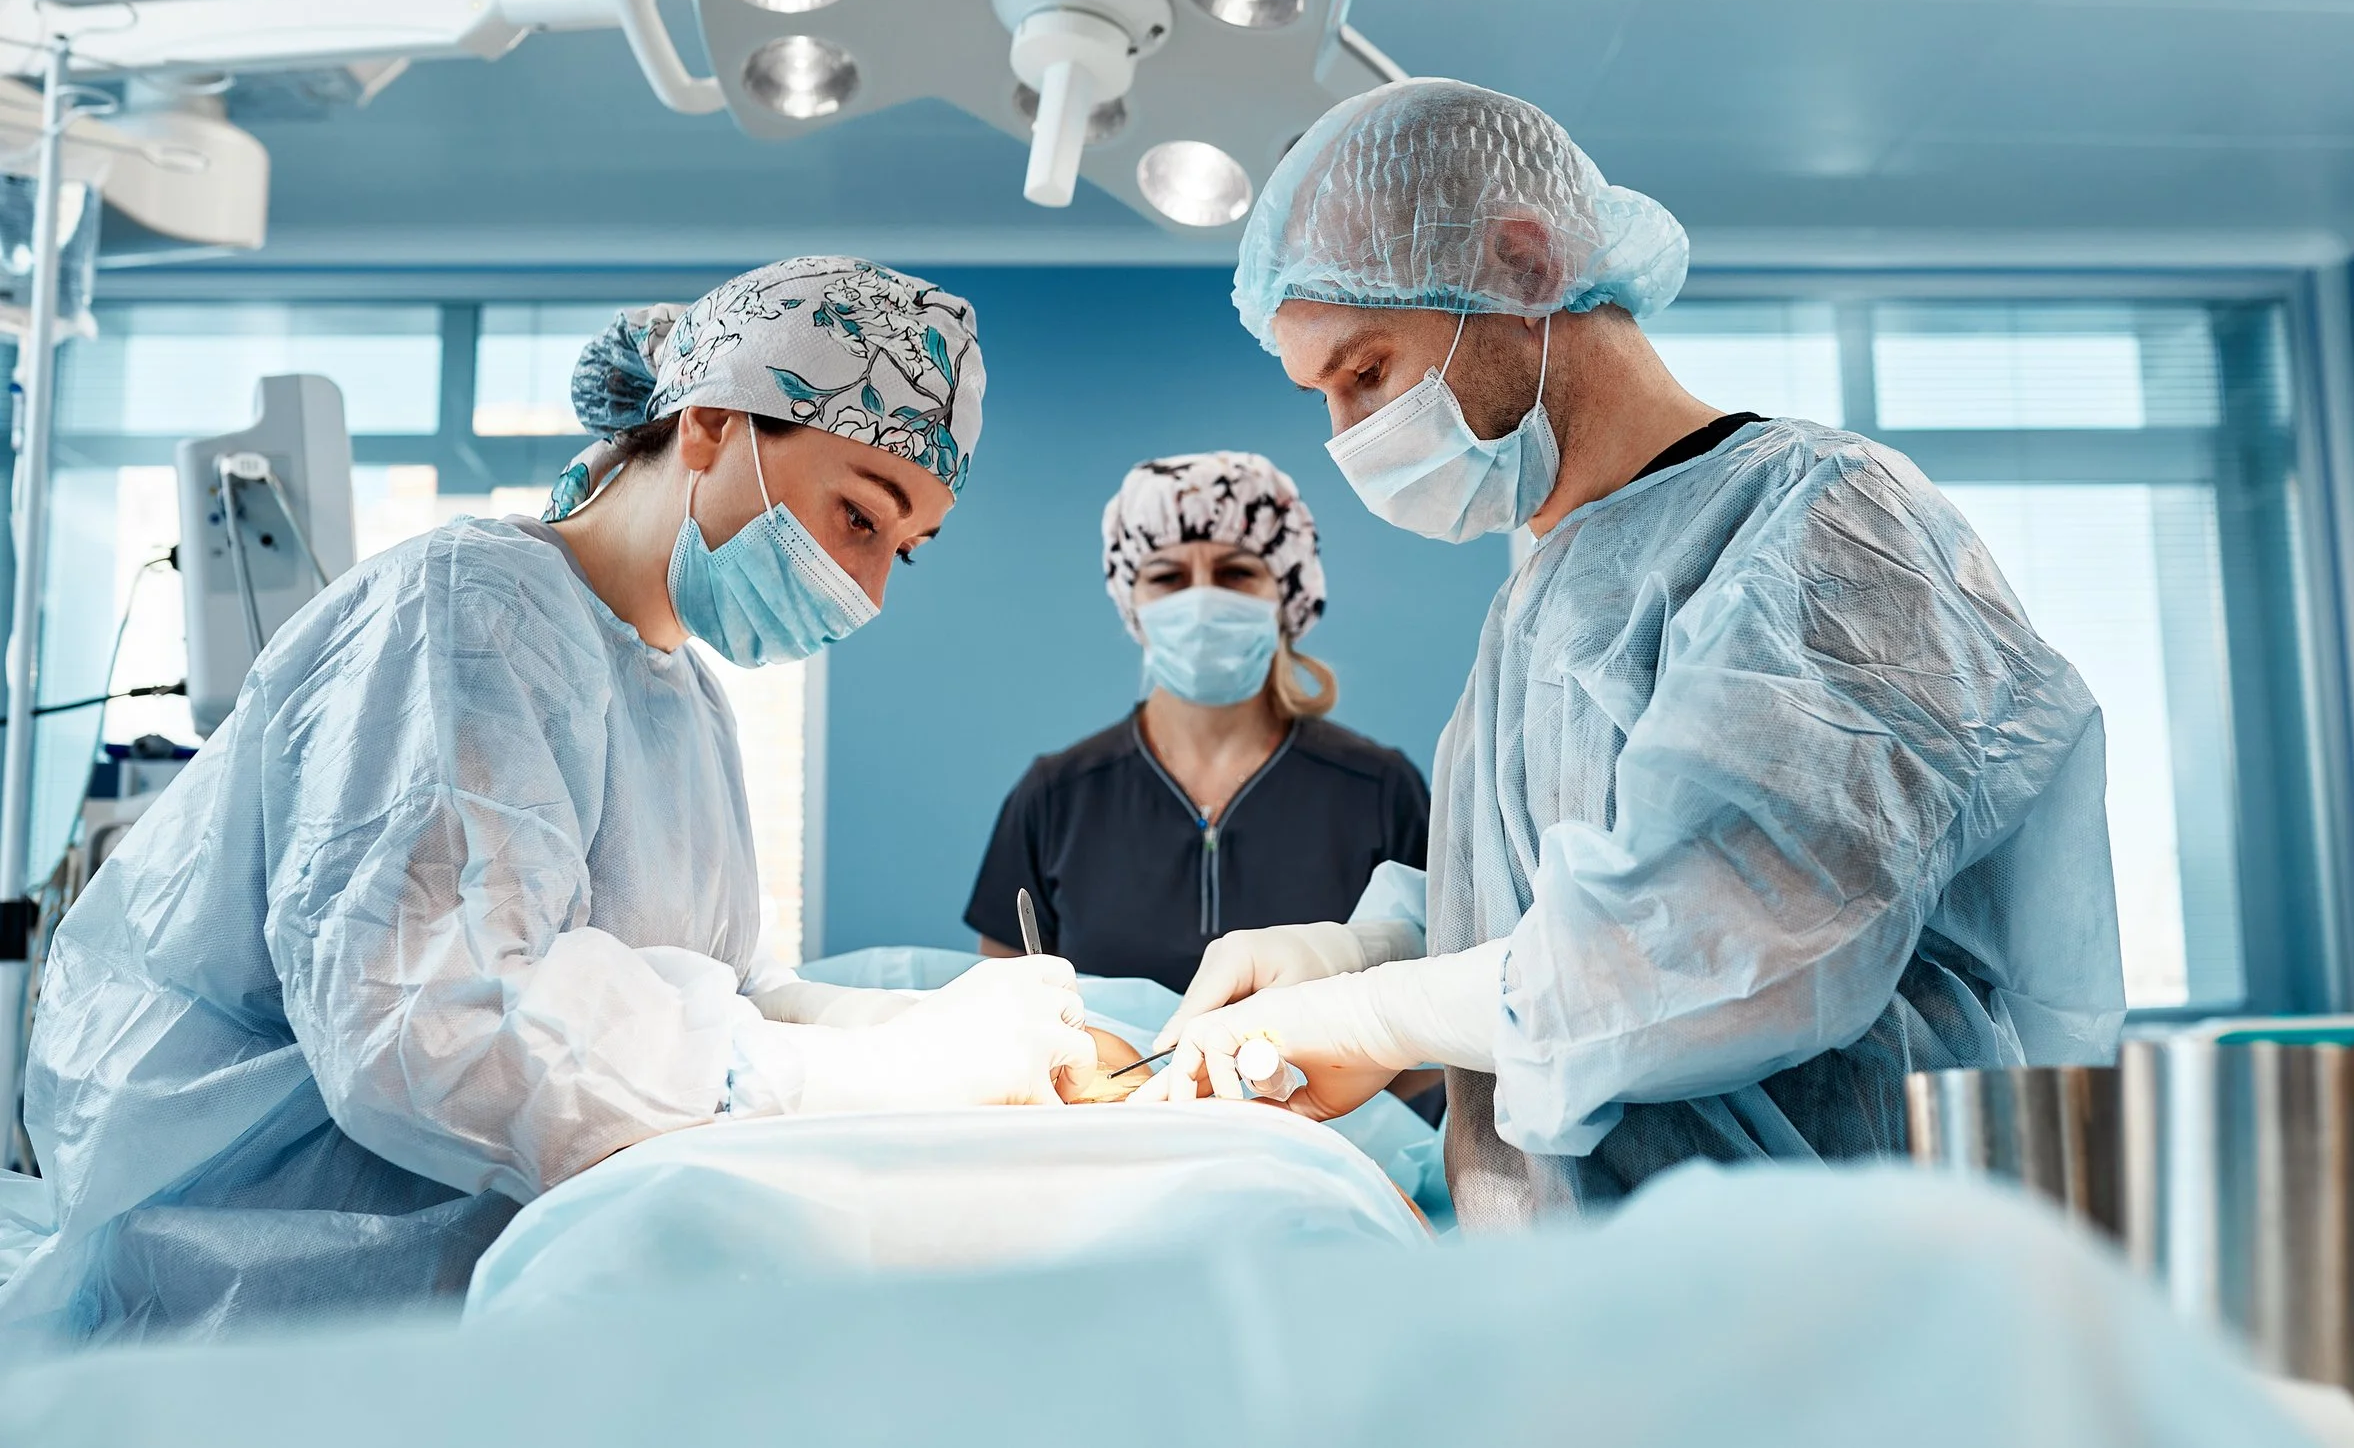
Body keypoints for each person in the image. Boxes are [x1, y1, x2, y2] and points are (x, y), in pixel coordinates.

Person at [0, 257, 1097, 1341]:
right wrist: (855, 1072)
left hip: (491, 1307)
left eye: (907, 551)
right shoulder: (464, 614)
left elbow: (708, 987)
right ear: (711, 423)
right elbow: (440, 1023)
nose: (868, 591)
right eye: (862, 516)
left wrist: (915, 1028)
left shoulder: (683, 699)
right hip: (266, 1317)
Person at [1133, 81, 2127, 1229]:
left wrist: (1368, 1016)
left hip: (1837, 1303)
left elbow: (1717, 948)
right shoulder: (1544, 595)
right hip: (1621, 1313)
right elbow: (1546, 896)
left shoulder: (1829, 532)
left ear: (1522, 266)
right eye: (1323, 396)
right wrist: (1355, 950)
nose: (1350, 436)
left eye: (1366, 371)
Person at [964, 452, 1429, 999]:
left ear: (1286, 594)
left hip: (1335, 1090)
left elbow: (1428, 1003)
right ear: (1131, 604)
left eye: (1237, 573)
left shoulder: (1378, 792)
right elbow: (999, 1007)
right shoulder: (1056, 798)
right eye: (1167, 577)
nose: (1202, 599)